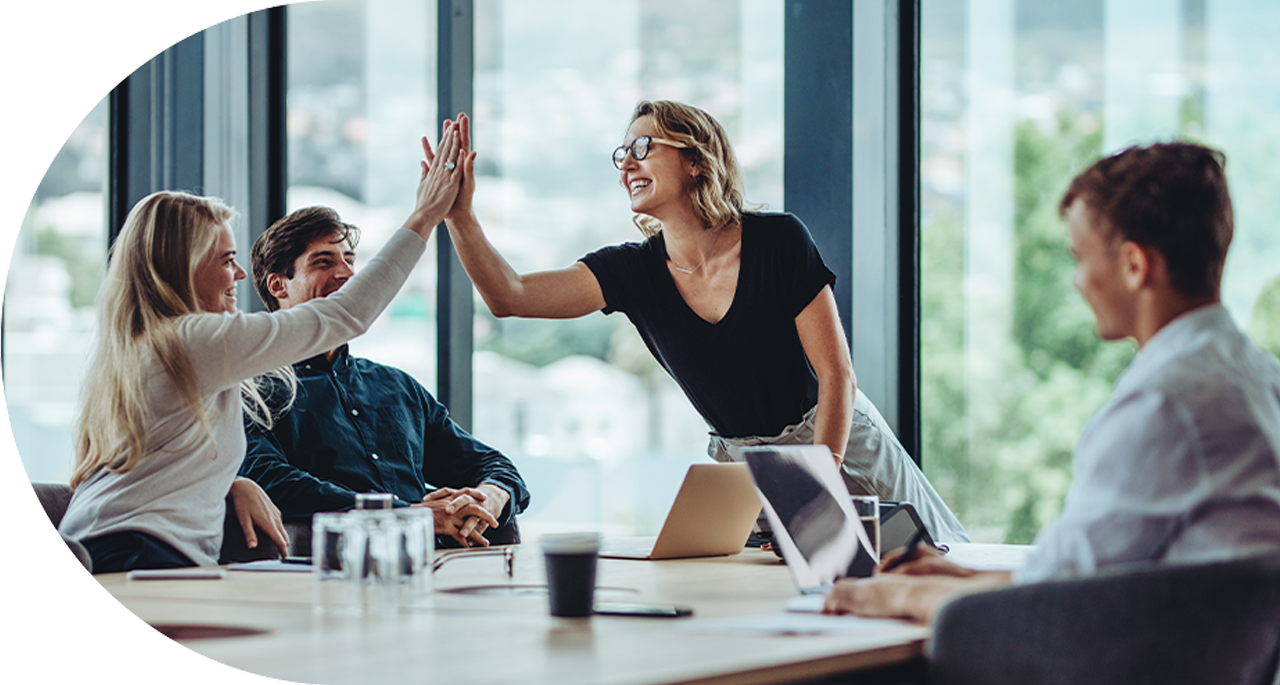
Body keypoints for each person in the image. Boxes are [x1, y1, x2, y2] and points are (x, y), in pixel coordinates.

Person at [436, 100, 968, 543]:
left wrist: (814, 482)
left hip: (837, 440)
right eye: (623, 153)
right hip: (744, 469)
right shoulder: (631, 271)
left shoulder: (779, 240)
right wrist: (460, 216)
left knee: (933, 563)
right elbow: (511, 295)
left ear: (695, 159)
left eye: (644, 146)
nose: (627, 163)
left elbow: (837, 377)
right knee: (780, 600)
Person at [823, 142, 1280, 622]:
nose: (1077, 282)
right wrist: (962, 577)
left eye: (1081, 258)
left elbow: (1053, 603)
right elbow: (1080, 573)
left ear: (1133, 265)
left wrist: (893, 596)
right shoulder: (1256, 376)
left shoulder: (1165, 402)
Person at [57, 122, 466, 573]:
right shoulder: (192, 340)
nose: (239, 276)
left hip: (111, 544)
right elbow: (346, 315)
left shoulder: (147, 346)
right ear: (183, 267)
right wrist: (424, 217)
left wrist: (232, 482)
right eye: (226, 260)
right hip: (136, 552)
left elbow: (160, 460)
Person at [239, 206, 531, 548]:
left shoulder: (397, 386)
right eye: (324, 261)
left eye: (349, 259)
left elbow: (492, 464)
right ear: (278, 285)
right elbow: (267, 479)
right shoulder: (252, 390)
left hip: (438, 570)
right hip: (334, 571)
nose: (347, 273)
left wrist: (489, 497)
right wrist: (405, 514)